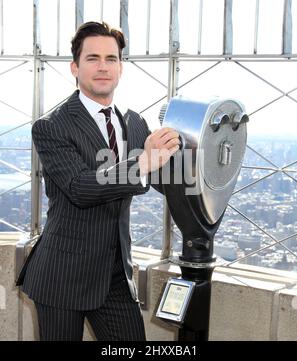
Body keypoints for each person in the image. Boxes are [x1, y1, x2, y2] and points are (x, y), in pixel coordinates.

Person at [16, 21, 179, 341]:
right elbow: (80, 188)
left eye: (111, 58)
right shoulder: (51, 126)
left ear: (121, 68)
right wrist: (144, 161)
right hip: (62, 276)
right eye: (92, 59)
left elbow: (161, 178)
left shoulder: (134, 120)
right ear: (74, 67)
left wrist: (195, 153)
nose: (103, 67)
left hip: (115, 276)